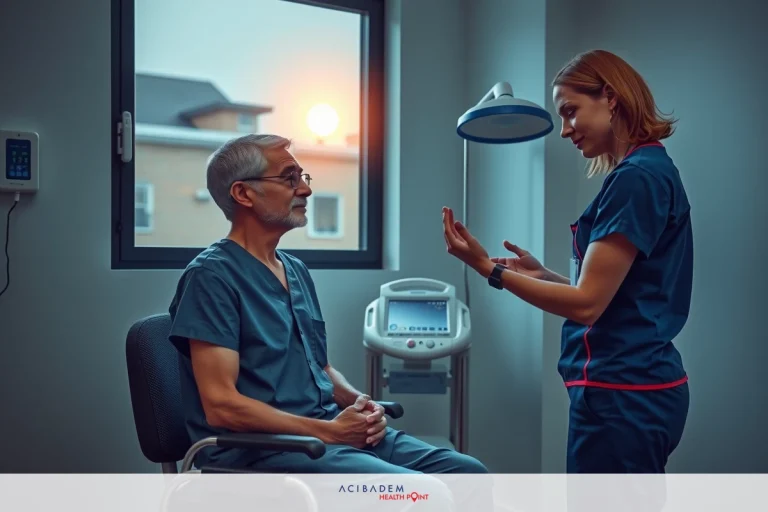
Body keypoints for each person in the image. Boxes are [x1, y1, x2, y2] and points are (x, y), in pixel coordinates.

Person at [167, 134, 490, 483]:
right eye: (289, 178)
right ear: (243, 193)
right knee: (417, 493)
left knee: (470, 474)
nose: (304, 191)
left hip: (324, 435)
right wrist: (330, 432)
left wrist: (359, 402)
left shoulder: (295, 270)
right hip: (263, 453)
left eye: (303, 178)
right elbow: (221, 406)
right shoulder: (211, 277)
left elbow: (320, 367)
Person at [442, 49, 692, 476]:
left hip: (623, 394)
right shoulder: (647, 169)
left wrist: (488, 268)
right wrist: (545, 276)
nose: (563, 130)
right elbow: (617, 294)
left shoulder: (636, 178)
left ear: (610, 98)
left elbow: (586, 305)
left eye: (571, 112)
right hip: (635, 389)